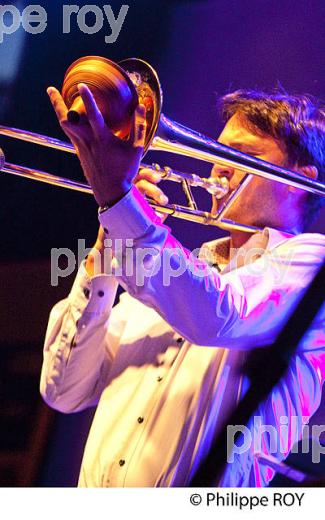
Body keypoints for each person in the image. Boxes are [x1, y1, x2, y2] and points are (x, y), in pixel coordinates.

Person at [40, 84, 325, 487]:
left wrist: (121, 204)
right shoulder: (170, 276)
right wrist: (108, 249)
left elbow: (219, 317)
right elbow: (64, 390)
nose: (217, 167)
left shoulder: (313, 264)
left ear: (298, 179)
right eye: (217, 152)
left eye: (242, 155)